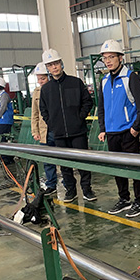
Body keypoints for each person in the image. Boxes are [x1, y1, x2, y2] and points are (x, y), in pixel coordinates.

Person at [97, 39, 140, 218]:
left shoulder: (130, 77)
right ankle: (124, 199)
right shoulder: (104, 80)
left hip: (128, 132)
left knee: (134, 168)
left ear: (120, 57)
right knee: (118, 169)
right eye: (105, 58)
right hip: (111, 133)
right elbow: (101, 107)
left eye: (111, 57)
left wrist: (136, 127)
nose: (108, 61)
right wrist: (102, 128)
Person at [39, 48, 96, 203]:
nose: (54, 67)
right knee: (65, 165)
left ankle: (87, 189)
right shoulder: (46, 90)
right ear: (47, 68)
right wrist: (53, 124)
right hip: (58, 134)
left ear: (61, 63)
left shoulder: (75, 82)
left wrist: (80, 117)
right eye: (50, 65)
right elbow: (43, 110)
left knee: (83, 162)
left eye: (56, 63)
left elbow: (87, 101)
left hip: (78, 132)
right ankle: (71, 191)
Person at [30, 62, 58, 196]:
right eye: (39, 79)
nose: (40, 81)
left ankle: (68, 185)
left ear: (49, 77)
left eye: (43, 78)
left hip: (58, 130)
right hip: (44, 132)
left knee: (64, 159)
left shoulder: (56, 88)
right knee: (48, 161)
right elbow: (34, 114)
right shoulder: (36, 92)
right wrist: (35, 131)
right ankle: (51, 185)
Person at [0, 76, 15, 165]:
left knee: (4, 140)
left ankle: (6, 158)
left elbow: (3, 107)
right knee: (4, 139)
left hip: (5, 122)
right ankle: (7, 157)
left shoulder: (4, 95)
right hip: (1, 122)